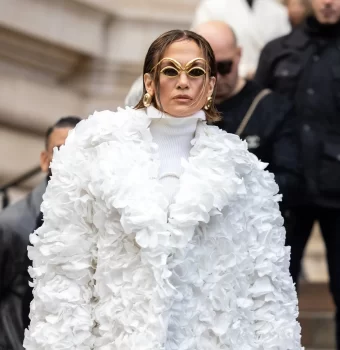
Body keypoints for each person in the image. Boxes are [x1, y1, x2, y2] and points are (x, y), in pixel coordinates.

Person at [24, 30, 302, 349]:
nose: (183, 82)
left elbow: (268, 285)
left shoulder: (244, 170)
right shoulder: (94, 153)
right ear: (149, 82)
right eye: (170, 70)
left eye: (195, 71)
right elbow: (64, 274)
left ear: (210, 84)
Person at [255, 0, 340, 349]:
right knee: (276, 290)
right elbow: (260, 112)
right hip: (287, 191)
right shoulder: (278, 50)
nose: (329, 3)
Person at [194, 21, 300, 209]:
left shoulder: (272, 107)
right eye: (205, 68)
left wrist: (238, 182)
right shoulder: (182, 103)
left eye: (224, 66)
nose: (215, 77)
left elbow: (291, 180)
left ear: (239, 55)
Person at [0, 116, 81, 350]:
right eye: (61, 150)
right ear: (45, 160)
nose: (71, 158)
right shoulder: (13, 225)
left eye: (81, 150)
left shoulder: (98, 220)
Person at [191, 0, 291, 79]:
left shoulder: (278, 11)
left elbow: (286, 50)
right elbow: (200, 48)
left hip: (268, 81)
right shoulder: (212, 6)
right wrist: (244, 71)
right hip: (226, 79)